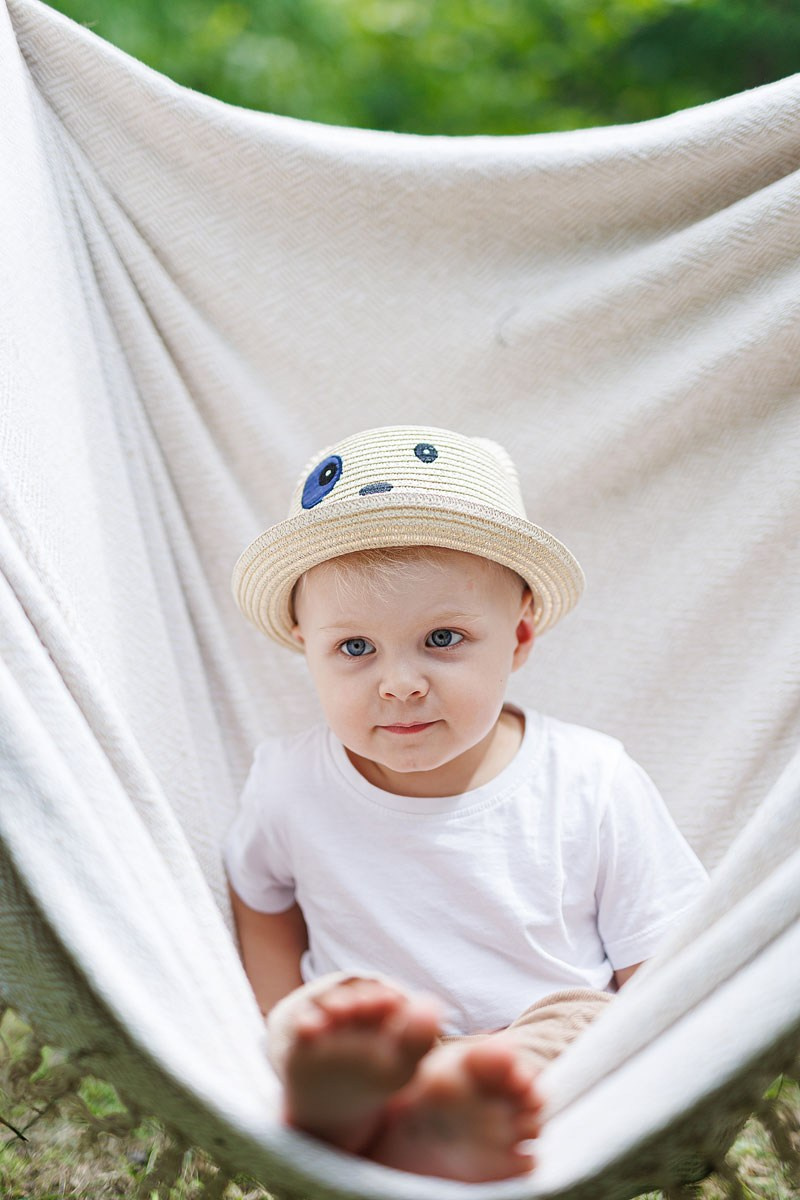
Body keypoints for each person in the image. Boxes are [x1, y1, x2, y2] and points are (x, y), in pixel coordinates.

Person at [224, 425, 708, 1182]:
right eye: (355, 648)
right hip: (377, 1042)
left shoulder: (590, 779)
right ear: (303, 644)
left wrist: (655, 1084)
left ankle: (446, 1112)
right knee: (319, 1024)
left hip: (536, 1044)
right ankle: (385, 1104)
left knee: (592, 1023)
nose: (400, 683)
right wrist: (272, 1023)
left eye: (442, 638)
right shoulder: (288, 784)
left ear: (517, 637)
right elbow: (261, 905)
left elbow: (665, 960)